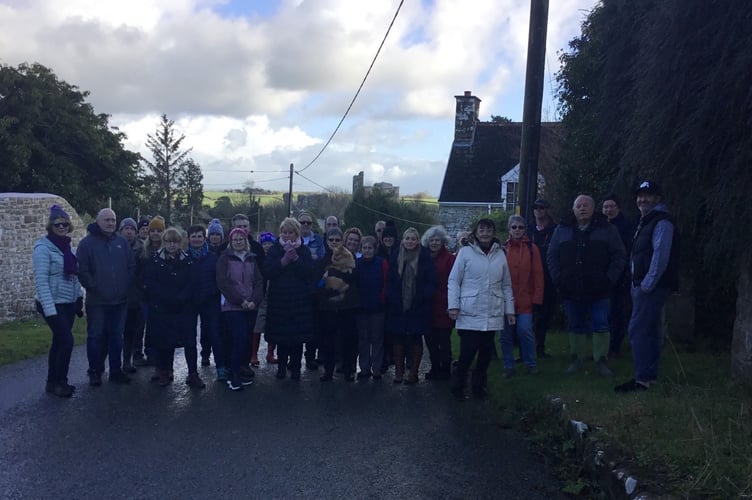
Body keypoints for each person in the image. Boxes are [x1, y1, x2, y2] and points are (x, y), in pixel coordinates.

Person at [547, 194, 626, 376]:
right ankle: (576, 360)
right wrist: (558, 278)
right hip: (570, 288)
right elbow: (552, 255)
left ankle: (601, 361)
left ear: (593, 208)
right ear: (573, 209)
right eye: (578, 206)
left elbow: (619, 255)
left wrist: (610, 279)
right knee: (576, 325)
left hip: (600, 288)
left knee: (601, 325)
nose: (582, 208)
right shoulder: (562, 229)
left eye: (586, 205)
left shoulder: (607, 229)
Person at [615, 181, 679, 393]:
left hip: (650, 287)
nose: (643, 199)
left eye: (648, 195)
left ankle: (642, 380)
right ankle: (649, 378)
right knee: (649, 330)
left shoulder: (661, 222)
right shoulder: (646, 220)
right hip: (641, 284)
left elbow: (660, 256)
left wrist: (646, 285)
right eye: (640, 195)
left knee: (638, 329)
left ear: (657, 198)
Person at [448, 218, 515, 400]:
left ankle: (478, 387)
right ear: (475, 233)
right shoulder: (465, 253)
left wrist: (510, 310)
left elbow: (506, 284)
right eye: (481, 230)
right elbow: (454, 280)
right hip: (470, 311)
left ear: (493, 232)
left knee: (486, 355)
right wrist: (453, 306)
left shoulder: (500, 254)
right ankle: (458, 386)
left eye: (488, 230)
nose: (485, 233)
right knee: (468, 353)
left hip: (492, 311)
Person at [76, 208, 135, 386]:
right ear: (98, 221)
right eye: (107, 220)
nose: (110, 223)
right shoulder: (86, 244)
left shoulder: (122, 243)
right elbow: (83, 270)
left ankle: (115, 371)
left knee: (117, 336)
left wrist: (125, 286)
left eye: (113, 220)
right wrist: (94, 287)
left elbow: (131, 266)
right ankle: (95, 371)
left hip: (120, 301)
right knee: (95, 336)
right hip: (98, 301)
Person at [33, 205, 84, 397]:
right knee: (67, 341)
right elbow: (41, 282)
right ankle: (60, 381)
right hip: (52, 303)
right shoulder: (43, 248)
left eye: (64, 224)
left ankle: (51, 382)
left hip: (68, 302)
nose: (61, 227)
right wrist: (49, 310)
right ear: (50, 226)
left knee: (58, 343)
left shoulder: (68, 247)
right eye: (57, 224)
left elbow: (73, 277)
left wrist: (79, 298)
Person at [143, 228, 204, 389]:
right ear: (164, 242)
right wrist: (165, 298)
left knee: (190, 342)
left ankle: (193, 374)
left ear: (180, 243)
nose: (172, 245)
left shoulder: (188, 260)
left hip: (184, 307)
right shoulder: (155, 260)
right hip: (162, 307)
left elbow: (193, 282)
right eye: (169, 241)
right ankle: (165, 371)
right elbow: (150, 283)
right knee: (165, 342)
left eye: (175, 242)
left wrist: (181, 298)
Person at [262, 218, 316, 380]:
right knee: (282, 337)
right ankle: (282, 367)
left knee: (297, 339)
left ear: (296, 233)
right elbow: (268, 272)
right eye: (284, 232)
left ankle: (296, 368)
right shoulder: (274, 250)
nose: (287, 236)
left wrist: (296, 260)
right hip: (279, 300)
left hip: (300, 301)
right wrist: (283, 261)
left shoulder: (304, 251)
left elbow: (308, 273)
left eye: (290, 232)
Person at [385, 227, 436, 384]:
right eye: (407, 238)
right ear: (403, 240)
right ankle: (399, 372)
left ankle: (413, 373)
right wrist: (393, 299)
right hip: (398, 305)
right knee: (398, 339)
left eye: (413, 239)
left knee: (415, 339)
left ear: (418, 241)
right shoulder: (395, 256)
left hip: (418, 305)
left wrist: (421, 298)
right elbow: (390, 281)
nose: (410, 241)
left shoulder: (425, 257)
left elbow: (432, 282)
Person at [216, 227, 264, 391]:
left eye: (241, 239)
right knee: (239, 338)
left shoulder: (252, 258)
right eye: (235, 239)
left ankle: (239, 371)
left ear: (246, 241)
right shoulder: (225, 258)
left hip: (251, 306)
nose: (238, 242)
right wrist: (240, 301)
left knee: (245, 340)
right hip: (232, 306)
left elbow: (258, 281)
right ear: (230, 241)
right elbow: (223, 283)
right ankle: (233, 374)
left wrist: (254, 300)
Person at [500, 216, 544, 377]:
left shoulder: (533, 249)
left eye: (520, 227)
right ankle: (508, 365)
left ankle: (530, 363)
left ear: (525, 229)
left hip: (526, 300)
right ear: (509, 229)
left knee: (525, 331)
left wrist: (537, 299)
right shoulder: (503, 249)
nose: (517, 230)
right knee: (505, 335)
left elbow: (538, 275)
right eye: (514, 227)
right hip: (505, 301)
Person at [316, 228, 360, 382]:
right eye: (331, 240)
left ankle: (348, 370)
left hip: (347, 305)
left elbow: (353, 278)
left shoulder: (350, 258)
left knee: (348, 340)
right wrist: (323, 280)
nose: (334, 242)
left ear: (343, 241)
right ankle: (328, 371)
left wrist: (336, 276)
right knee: (328, 341)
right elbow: (317, 283)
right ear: (327, 242)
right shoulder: (322, 261)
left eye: (337, 240)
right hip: (327, 307)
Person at [187, 224, 223, 375]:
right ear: (189, 239)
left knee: (215, 333)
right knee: (190, 337)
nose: (196, 239)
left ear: (204, 238)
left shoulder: (213, 258)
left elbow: (219, 279)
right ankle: (192, 371)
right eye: (193, 236)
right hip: (190, 302)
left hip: (210, 300)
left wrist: (212, 292)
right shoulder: (184, 257)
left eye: (199, 236)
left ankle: (220, 366)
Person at [602, 194, 634, 357]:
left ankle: (615, 346)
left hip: (619, 275)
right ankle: (603, 346)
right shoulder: (599, 225)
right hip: (601, 275)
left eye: (611, 206)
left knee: (617, 312)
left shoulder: (626, 226)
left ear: (618, 208)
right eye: (605, 207)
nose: (608, 209)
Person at [422, 225, 455, 380]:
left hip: (444, 304)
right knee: (430, 340)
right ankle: (434, 368)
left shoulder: (450, 259)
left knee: (444, 340)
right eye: (432, 240)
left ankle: (446, 369)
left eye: (437, 240)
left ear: (443, 242)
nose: (434, 243)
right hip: (427, 305)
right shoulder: (423, 258)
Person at [355, 236, 388, 379]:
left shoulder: (382, 263)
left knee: (377, 339)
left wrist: (382, 299)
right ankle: (364, 368)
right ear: (361, 249)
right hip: (361, 307)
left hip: (378, 307)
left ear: (375, 249)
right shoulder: (356, 264)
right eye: (364, 248)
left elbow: (386, 283)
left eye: (370, 248)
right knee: (363, 339)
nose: (367, 251)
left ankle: (377, 367)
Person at [531, 198, 557, 358]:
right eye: (536, 208)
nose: (538, 211)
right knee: (529, 315)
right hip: (530, 277)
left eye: (541, 208)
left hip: (548, 277)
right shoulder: (528, 228)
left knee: (545, 314)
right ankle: (526, 349)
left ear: (547, 210)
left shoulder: (555, 229)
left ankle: (540, 347)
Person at [119, 217, 145, 374]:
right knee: (111, 332)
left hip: (135, 295)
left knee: (131, 330)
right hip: (115, 294)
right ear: (120, 230)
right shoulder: (114, 245)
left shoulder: (142, 248)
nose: (129, 232)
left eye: (132, 229)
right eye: (126, 228)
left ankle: (128, 361)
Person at [254, 232, 277, 365]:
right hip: (260, 293)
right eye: (265, 243)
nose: (267, 246)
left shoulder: (275, 257)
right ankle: (253, 354)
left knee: (273, 325)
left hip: (273, 293)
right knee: (257, 325)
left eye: (269, 243)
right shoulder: (258, 258)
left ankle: (270, 353)